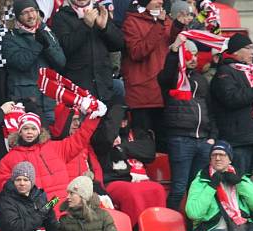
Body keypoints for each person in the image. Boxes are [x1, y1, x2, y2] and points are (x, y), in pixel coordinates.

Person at [159, 34, 217, 210]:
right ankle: (170, 225)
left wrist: (213, 136)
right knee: (178, 188)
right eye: (189, 54)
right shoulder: (172, 78)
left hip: (203, 140)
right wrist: (174, 52)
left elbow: (210, 109)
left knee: (196, 189)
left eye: (196, 54)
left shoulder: (201, 79)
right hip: (181, 139)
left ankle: (192, 227)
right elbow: (165, 75)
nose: (193, 58)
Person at [211, 33, 253, 175]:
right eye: (249, 48)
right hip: (238, 139)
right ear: (236, 51)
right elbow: (232, 99)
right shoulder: (225, 72)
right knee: (240, 181)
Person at [186, 141, 253, 231]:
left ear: (230, 159)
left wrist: (239, 183)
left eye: (222, 155)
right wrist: (211, 186)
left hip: (240, 229)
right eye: (214, 155)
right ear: (210, 159)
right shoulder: (201, 181)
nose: (218, 158)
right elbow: (194, 213)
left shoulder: (239, 178)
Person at [0, 110, 101, 203]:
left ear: (39, 131)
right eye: (25, 128)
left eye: (33, 128)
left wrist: (94, 118)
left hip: (61, 204)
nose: (29, 132)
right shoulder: (9, 159)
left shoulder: (56, 147)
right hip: (33, 210)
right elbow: (4, 186)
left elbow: (80, 138)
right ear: (20, 132)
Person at [2, 0, 65, 124]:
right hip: (26, 102)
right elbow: (21, 63)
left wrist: (48, 47)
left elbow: (61, 62)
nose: (30, 16)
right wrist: (38, 44)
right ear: (18, 17)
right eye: (25, 13)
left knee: (53, 138)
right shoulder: (10, 38)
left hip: (50, 101)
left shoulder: (48, 33)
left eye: (32, 11)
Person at [51, 0, 123, 103]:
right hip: (78, 88)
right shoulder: (61, 16)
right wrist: (85, 26)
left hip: (104, 85)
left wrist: (105, 28)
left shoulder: (99, 10)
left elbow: (119, 44)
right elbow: (64, 48)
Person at [120, 0, 176, 133]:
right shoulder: (132, 22)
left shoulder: (166, 20)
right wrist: (158, 26)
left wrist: (179, 26)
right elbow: (137, 52)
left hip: (164, 93)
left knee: (163, 147)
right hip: (141, 95)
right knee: (144, 144)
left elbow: (171, 42)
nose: (161, 1)